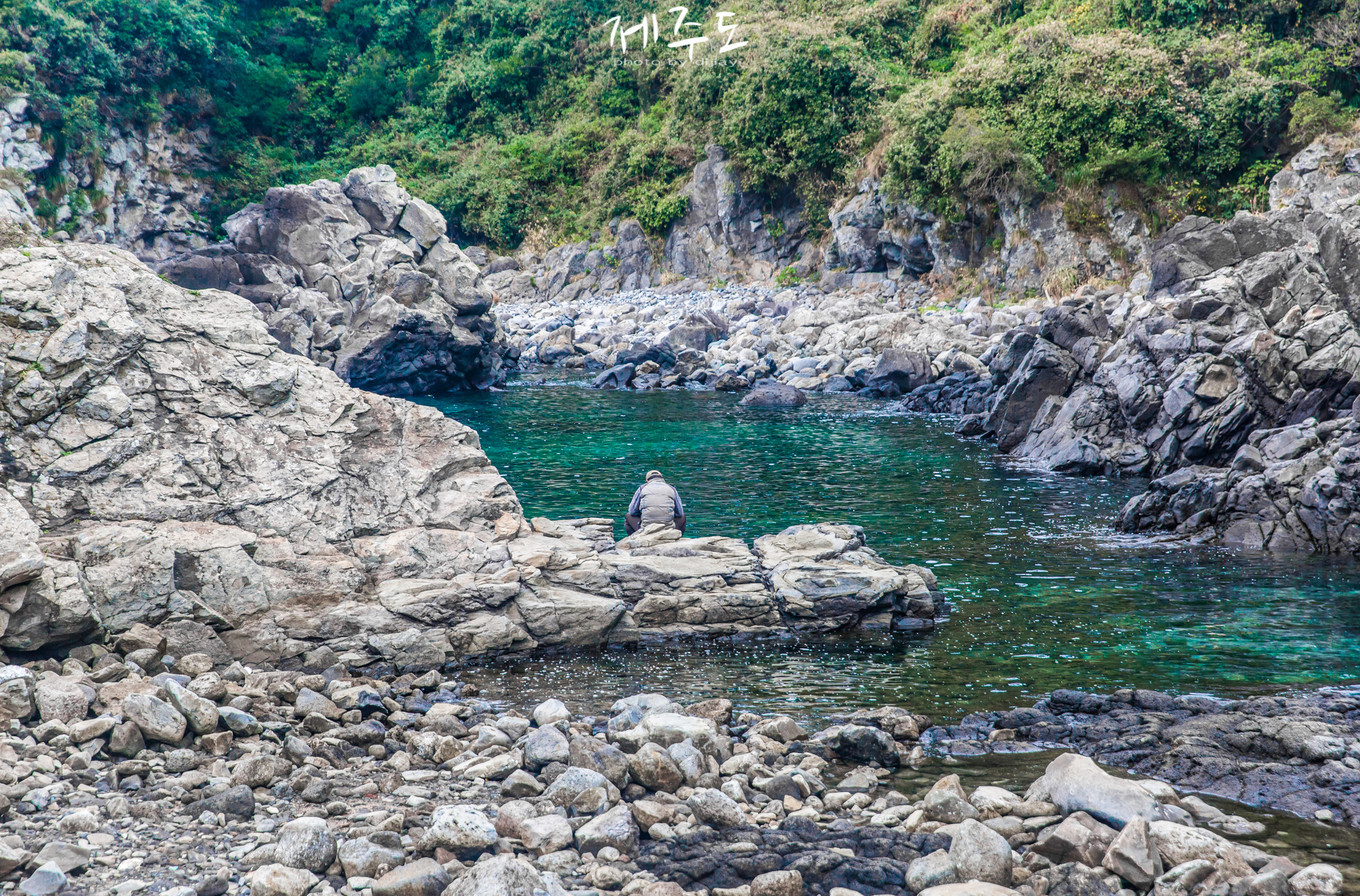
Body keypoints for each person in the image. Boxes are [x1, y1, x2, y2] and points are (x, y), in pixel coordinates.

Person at [625, 469, 686, 534]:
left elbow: (632, 511)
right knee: (683, 517)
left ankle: (636, 537)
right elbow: (680, 513)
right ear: (662, 479)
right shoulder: (672, 489)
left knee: (628, 516)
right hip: (668, 528)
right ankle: (676, 536)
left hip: (646, 528)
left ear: (647, 480)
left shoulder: (642, 488)